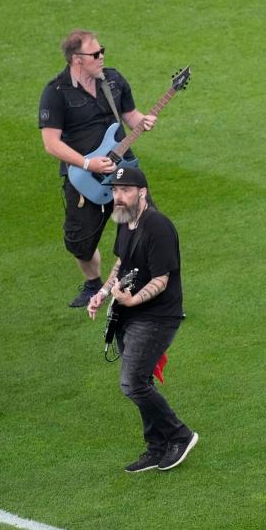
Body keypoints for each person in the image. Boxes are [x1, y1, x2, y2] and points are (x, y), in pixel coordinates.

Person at [86, 166, 197, 473]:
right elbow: (121, 263)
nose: (118, 197)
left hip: (157, 316)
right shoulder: (125, 221)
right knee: (141, 381)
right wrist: (104, 292)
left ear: (142, 193)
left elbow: (162, 279)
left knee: (132, 383)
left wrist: (132, 299)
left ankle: (180, 435)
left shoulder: (158, 226)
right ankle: (157, 446)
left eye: (125, 191)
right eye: (115, 191)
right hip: (129, 314)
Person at [39, 29, 158, 308]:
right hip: (84, 178)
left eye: (102, 50)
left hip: (123, 170)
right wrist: (87, 163)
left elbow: (129, 116)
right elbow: (50, 143)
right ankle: (93, 283)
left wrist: (143, 120)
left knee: (146, 228)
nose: (102, 56)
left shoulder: (113, 80)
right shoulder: (56, 92)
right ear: (77, 59)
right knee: (79, 244)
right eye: (95, 54)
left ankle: (144, 289)